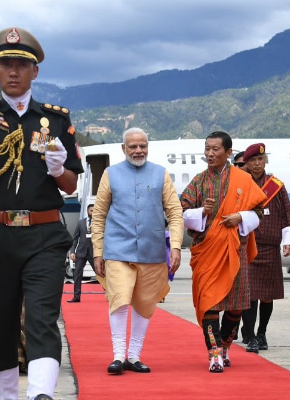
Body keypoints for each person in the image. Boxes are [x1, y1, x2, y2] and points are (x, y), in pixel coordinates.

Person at [0, 22, 83, 400]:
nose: (12, 71)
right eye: (4, 64)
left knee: (41, 315)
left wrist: (58, 168)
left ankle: (41, 394)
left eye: (21, 64)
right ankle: (8, 397)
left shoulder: (56, 120)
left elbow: (70, 185)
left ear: (35, 71)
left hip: (44, 234)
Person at [91, 127, 184, 375]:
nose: (138, 150)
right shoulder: (110, 174)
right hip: (117, 249)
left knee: (144, 304)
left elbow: (175, 213)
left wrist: (175, 246)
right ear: (123, 149)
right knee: (120, 300)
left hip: (151, 251)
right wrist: (98, 251)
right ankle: (118, 356)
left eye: (142, 145)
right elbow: (98, 216)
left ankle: (134, 356)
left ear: (147, 147)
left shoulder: (160, 174)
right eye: (132, 146)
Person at [180, 131, 266, 373]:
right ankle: (214, 353)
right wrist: (201, 213)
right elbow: (181, 211)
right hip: (206, 250)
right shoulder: (198, 181)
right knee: (209, 304)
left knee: (235, 305)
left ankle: (226, 345)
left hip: (233, 250)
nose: (210, 153)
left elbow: (259, 212)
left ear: (228, 153)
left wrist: (241, 217)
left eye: (215, 149)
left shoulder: (243, 179)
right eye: (207, 148)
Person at [239, 143, 290, 353]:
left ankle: (262, 333)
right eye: (253, 160)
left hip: (270, 246)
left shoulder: (277, 186)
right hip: (248, 246)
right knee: (249, 294)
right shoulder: (241, 184)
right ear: (246, 162)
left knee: (267, 295)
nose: (257, 163)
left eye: (260, 160)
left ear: (265, 161)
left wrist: (288, 240)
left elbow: (287, 214)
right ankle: (251, 336)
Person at [67, 204, 95, 303]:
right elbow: (75, 239)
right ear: (88, 211)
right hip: (81, 252)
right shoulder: (80, 223)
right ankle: (76, 296)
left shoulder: (99, 223)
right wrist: (72, 251)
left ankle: (109, 294)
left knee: (101, 274)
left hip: (94, 252)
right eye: (91, 210)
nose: (93, 212)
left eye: (94, 210)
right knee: (77, 274)